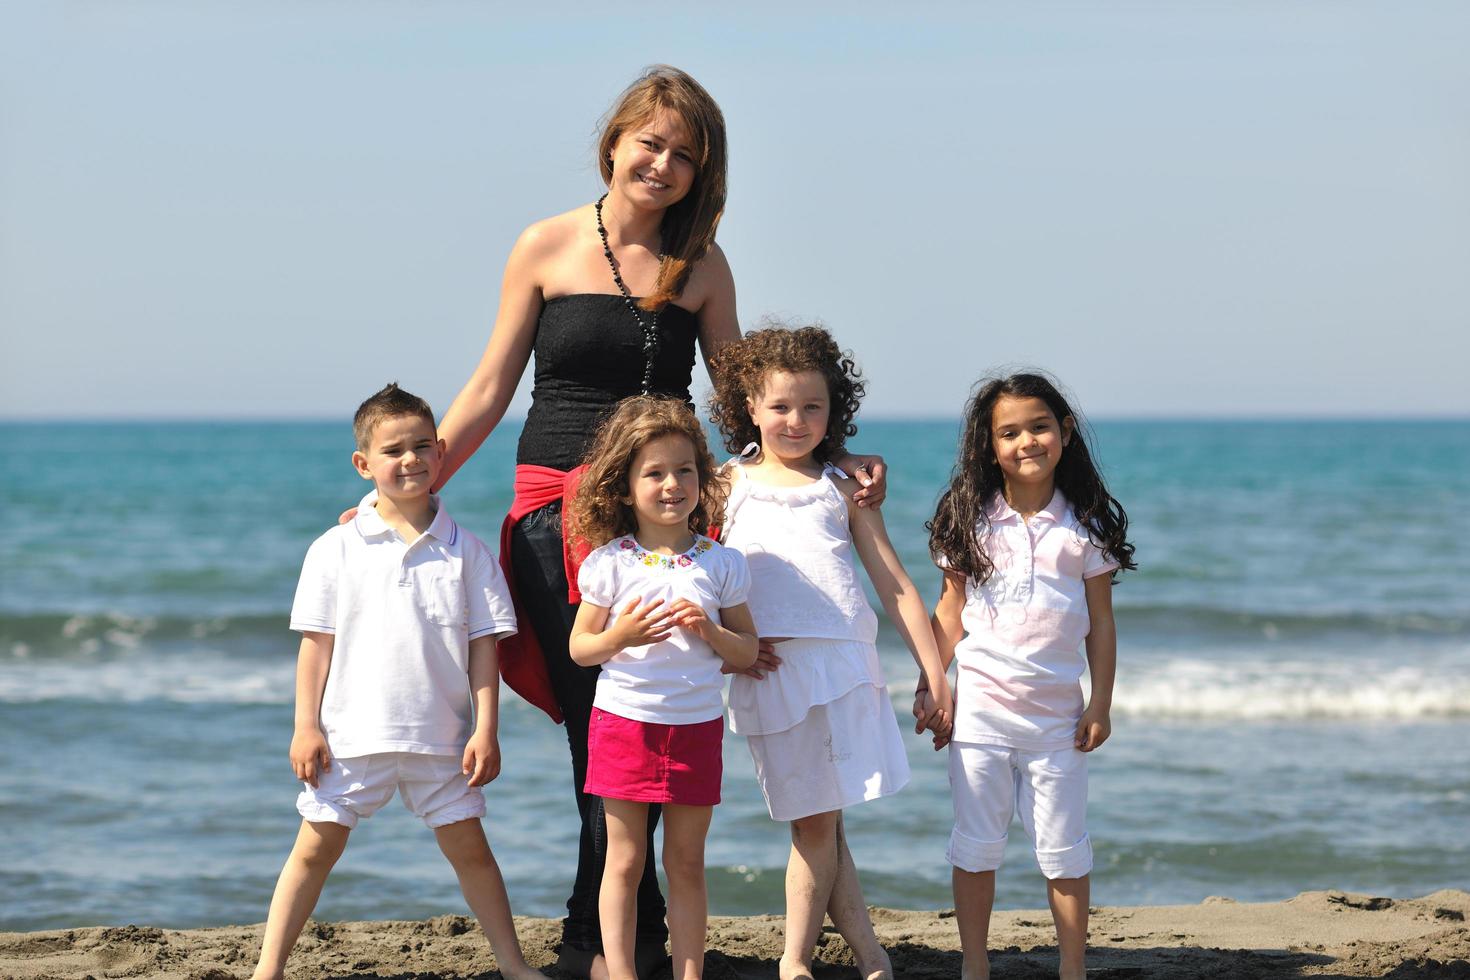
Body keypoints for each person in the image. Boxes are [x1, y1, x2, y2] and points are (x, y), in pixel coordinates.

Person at [425, 65, 886, 976]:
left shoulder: (702, 267)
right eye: (652, 143)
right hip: (553, 510)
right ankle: (602, 932)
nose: (663, 164)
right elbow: (487, 389)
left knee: (633, 722)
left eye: (685, 154)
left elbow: (740, 400)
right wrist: (415, 482)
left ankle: (605, 937)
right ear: (615, 141)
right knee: (591, 724)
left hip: (661, 519)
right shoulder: (546, 246)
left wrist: (835, 460)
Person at [252, 384, 544, 980]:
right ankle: (268, 969)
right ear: (364, 465)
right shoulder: (335, 548)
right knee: (313, 851)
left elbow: (483, 649)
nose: (408, 460)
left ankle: (513, 966)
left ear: (440, 453)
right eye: (392, 451)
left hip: (442, 740)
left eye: (420, 447)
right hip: (351, 736)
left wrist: (487, 730)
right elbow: (315, 645)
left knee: (473, 856)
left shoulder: (469, 553)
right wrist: (304, 726)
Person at [706, 324, 954, 980]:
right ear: (749, 407)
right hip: (772, 671)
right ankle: (823, 959)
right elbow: (694, 572)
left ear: (833, 412)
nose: (796, 420)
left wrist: (936, 673)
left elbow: (896, 586)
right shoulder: (723, 486)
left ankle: (830, 961)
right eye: (780, 406)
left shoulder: (844, 488)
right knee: (815, 819)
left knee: (824, 818)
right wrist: (726, 647)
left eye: (812, 407)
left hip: (845, 664)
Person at [916, 372, 1136, 980]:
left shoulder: (1084, 526)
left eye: (1039, 427)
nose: (1027, 442)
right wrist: (931, 685)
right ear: (990, 447)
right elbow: (949, 615)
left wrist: (1101, 704)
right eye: (1009, 433)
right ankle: (975, 965)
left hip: (1058, 719)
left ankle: (1072, 968)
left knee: (1064, 853)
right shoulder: (969, 519)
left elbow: (1102, 623)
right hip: (981, 712)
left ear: (1064, 431)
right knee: (975, 846)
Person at [565, 396, 758, 980]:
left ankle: (688, 972)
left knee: (687, 862)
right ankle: (621, 971)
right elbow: (580, 650)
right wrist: (620, 634)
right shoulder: (608, 563)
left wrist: (712, 631)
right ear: (625, 486)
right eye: (654, 473)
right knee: (621, 860)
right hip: (624, 723)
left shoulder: (721, 563)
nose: (672, 484)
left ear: (702, 477)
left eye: (685, 470)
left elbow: (748, 651)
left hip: (696, 725)